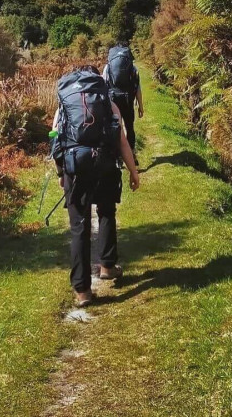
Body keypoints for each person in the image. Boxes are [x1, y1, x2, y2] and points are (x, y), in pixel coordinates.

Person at [52, 65, 140, 308]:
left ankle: (82, 291)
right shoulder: (107, 101)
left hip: (75, 166)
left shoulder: (65, 103)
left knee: (79, 226)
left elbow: (55, 137)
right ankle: (108, 266)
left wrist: (61, 172)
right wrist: (134, 172)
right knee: (106, 212)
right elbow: (121, 141)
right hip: (104, 163)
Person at [103, 45, 144, 159]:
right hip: (127, 100)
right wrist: (140, 106)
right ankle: (132, 154)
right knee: (129, 127)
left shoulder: (107, 67)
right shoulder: (133, 68)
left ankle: (117, 157)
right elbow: (138, 89)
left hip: (113, 101)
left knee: (116, 127)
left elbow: (103, 86)